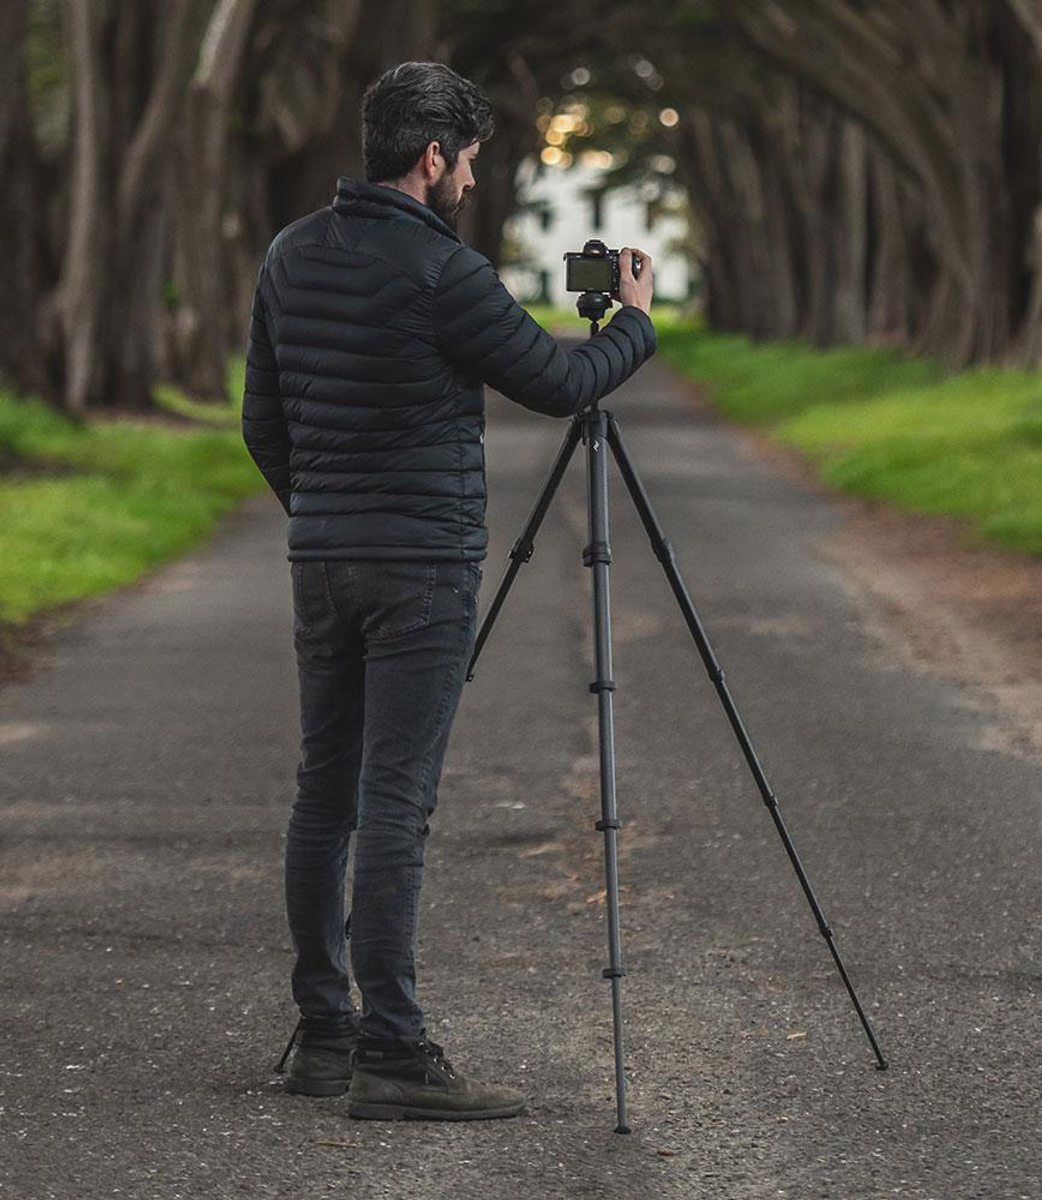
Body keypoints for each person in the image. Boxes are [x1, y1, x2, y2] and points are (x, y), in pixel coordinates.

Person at [241, 60, 656, 1122]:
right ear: (432, 158)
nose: (470, 178)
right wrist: (633, 324)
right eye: (467, 160)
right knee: (395, 800)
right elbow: (559, 384)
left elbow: (261, 423)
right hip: (421, 567)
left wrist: (324, 513)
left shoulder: (291, 253)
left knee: (324, 792)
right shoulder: (443, 270)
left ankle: (325, 1035)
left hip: (321, 560)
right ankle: (393, 1052)